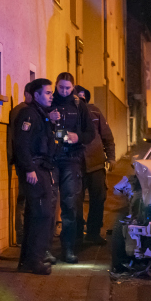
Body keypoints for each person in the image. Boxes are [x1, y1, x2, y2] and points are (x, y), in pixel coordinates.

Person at [12, 79, 58, 275]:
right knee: (42, 214)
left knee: (36, 214)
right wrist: (29, 168)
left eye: (51, 93)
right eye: (47, 93)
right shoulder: (29, 114)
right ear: (36, 95)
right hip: (35, 169)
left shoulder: (41, 114)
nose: (51, 96)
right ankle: (35, 260)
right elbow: (21, 143)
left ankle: (27, 261)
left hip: (41, 168)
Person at [50, 72, 94, 263]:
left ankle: (68, 249)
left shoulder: (80, 106)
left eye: (68, 88)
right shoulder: (49, 103)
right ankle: (45, 250)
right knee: (47, 206)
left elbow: (90, 132)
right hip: (51, 159)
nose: (65, 91)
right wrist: (48, 118)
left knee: (70, 205)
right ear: (56, 86)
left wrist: (79, 137)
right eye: (61, 87)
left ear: (73, 87)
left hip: (71, 159)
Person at [73, 85, 115, 245]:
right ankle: (76, 234)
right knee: (75, 200)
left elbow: (107, 136)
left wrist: (111, 158)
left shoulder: (95, 112)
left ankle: (93, 232)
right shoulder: (68, 113)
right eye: (78, 97)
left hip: (96, 164)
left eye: (83, 97)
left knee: (98, 198)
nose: (81, 101)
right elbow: (58, 132)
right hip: (75, 164)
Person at [7, 83, 33, 245]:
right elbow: (20, 139)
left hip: (21, 160)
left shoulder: (22, 110)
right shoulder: (22, 111)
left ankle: (23, 235)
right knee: (24, 199)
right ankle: (22, 236)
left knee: (25, 198)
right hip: (24, 161)